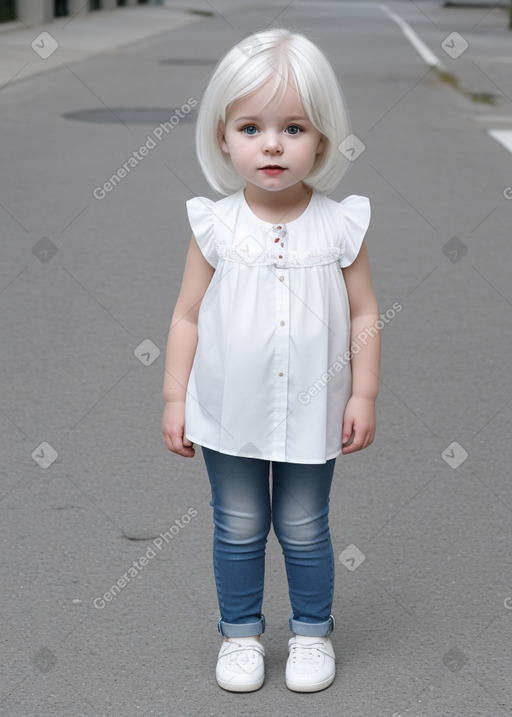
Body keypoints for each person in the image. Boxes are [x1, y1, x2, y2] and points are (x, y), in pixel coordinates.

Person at [162, 27, 380, 694]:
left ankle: (311, 631)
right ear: (224, 138)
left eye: (294, 127)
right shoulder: (216, 225)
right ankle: (242, 633)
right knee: (239, 521)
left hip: (315, 408)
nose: (274, 144)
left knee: (304, 523)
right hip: (229, 407)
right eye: (252, 127)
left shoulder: (341, 224)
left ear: (323, 139)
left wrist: (363, 393)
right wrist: (176, 396)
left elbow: (366, 311)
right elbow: (187, 314)